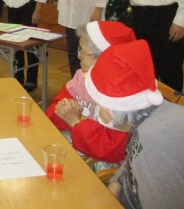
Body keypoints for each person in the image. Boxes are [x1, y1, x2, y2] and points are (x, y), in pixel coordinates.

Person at [85, 40, 184, 209]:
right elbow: (133, 157)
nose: (95, 109)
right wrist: (116, 184)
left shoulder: (154, 143)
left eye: (96, 104)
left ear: (109, 109)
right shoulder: (149, 116)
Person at [45, 21, 135, 167]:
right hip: (83, 144)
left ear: (105, 58)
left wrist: (75, 122)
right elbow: (53, 112)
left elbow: (110, 149)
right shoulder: (82, 77)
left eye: (82, 51)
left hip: (108, 164)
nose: (79, 56)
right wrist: (63, 110)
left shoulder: (124, 98)